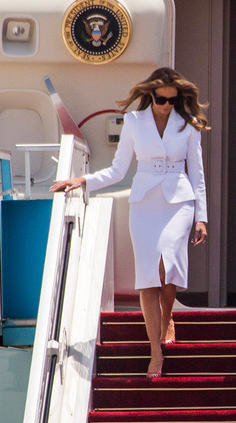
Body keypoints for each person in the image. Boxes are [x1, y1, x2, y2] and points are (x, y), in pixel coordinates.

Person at [51, 67, 209, 379]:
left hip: (179, 201)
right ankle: (155, 351)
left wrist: (202, 217)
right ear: (150, 95)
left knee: (170, 268)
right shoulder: (135, 122)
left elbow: (198, 175)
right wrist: (83, 180)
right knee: (149, 275)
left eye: (172, 101)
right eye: (161, 99)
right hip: (145, 203)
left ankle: (167, 317)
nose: (166, 105)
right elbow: (118, 170)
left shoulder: (188, 125)